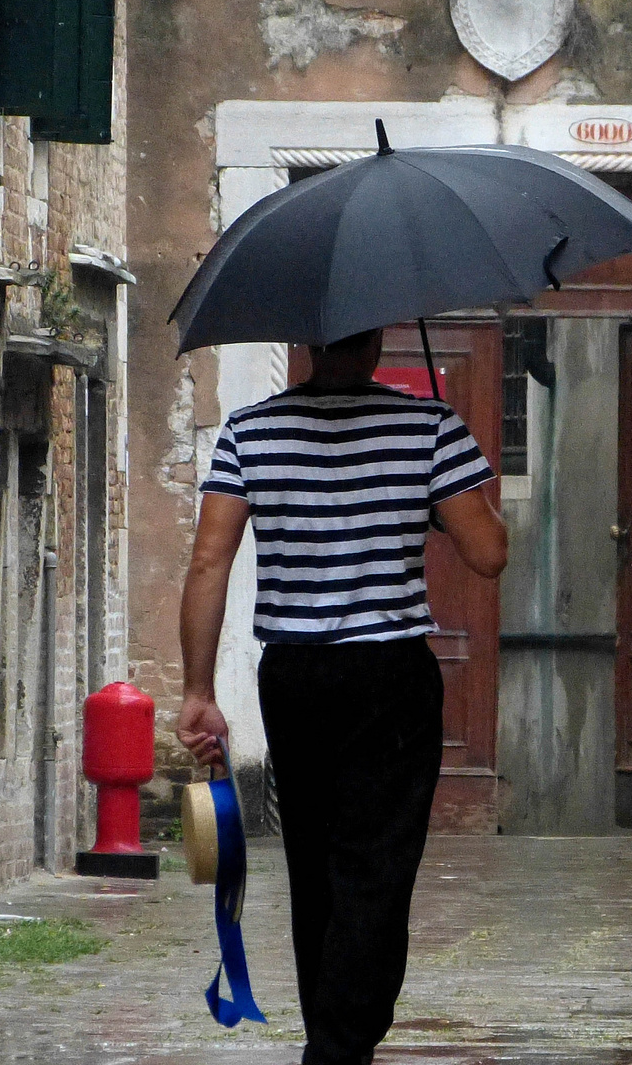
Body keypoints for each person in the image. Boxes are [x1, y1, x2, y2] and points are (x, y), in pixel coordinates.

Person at [175, 327, 507, 1065]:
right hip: (388, 676)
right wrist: (458, 468)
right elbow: (488, 555)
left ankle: (332, 1037)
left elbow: (208, 562)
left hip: (295, 676)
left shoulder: (250, 430)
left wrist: (199, 690)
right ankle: (339, 1046)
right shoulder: (427, 425)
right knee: (376, 867)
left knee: (316, 862)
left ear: (304, 343)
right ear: (378, 336)